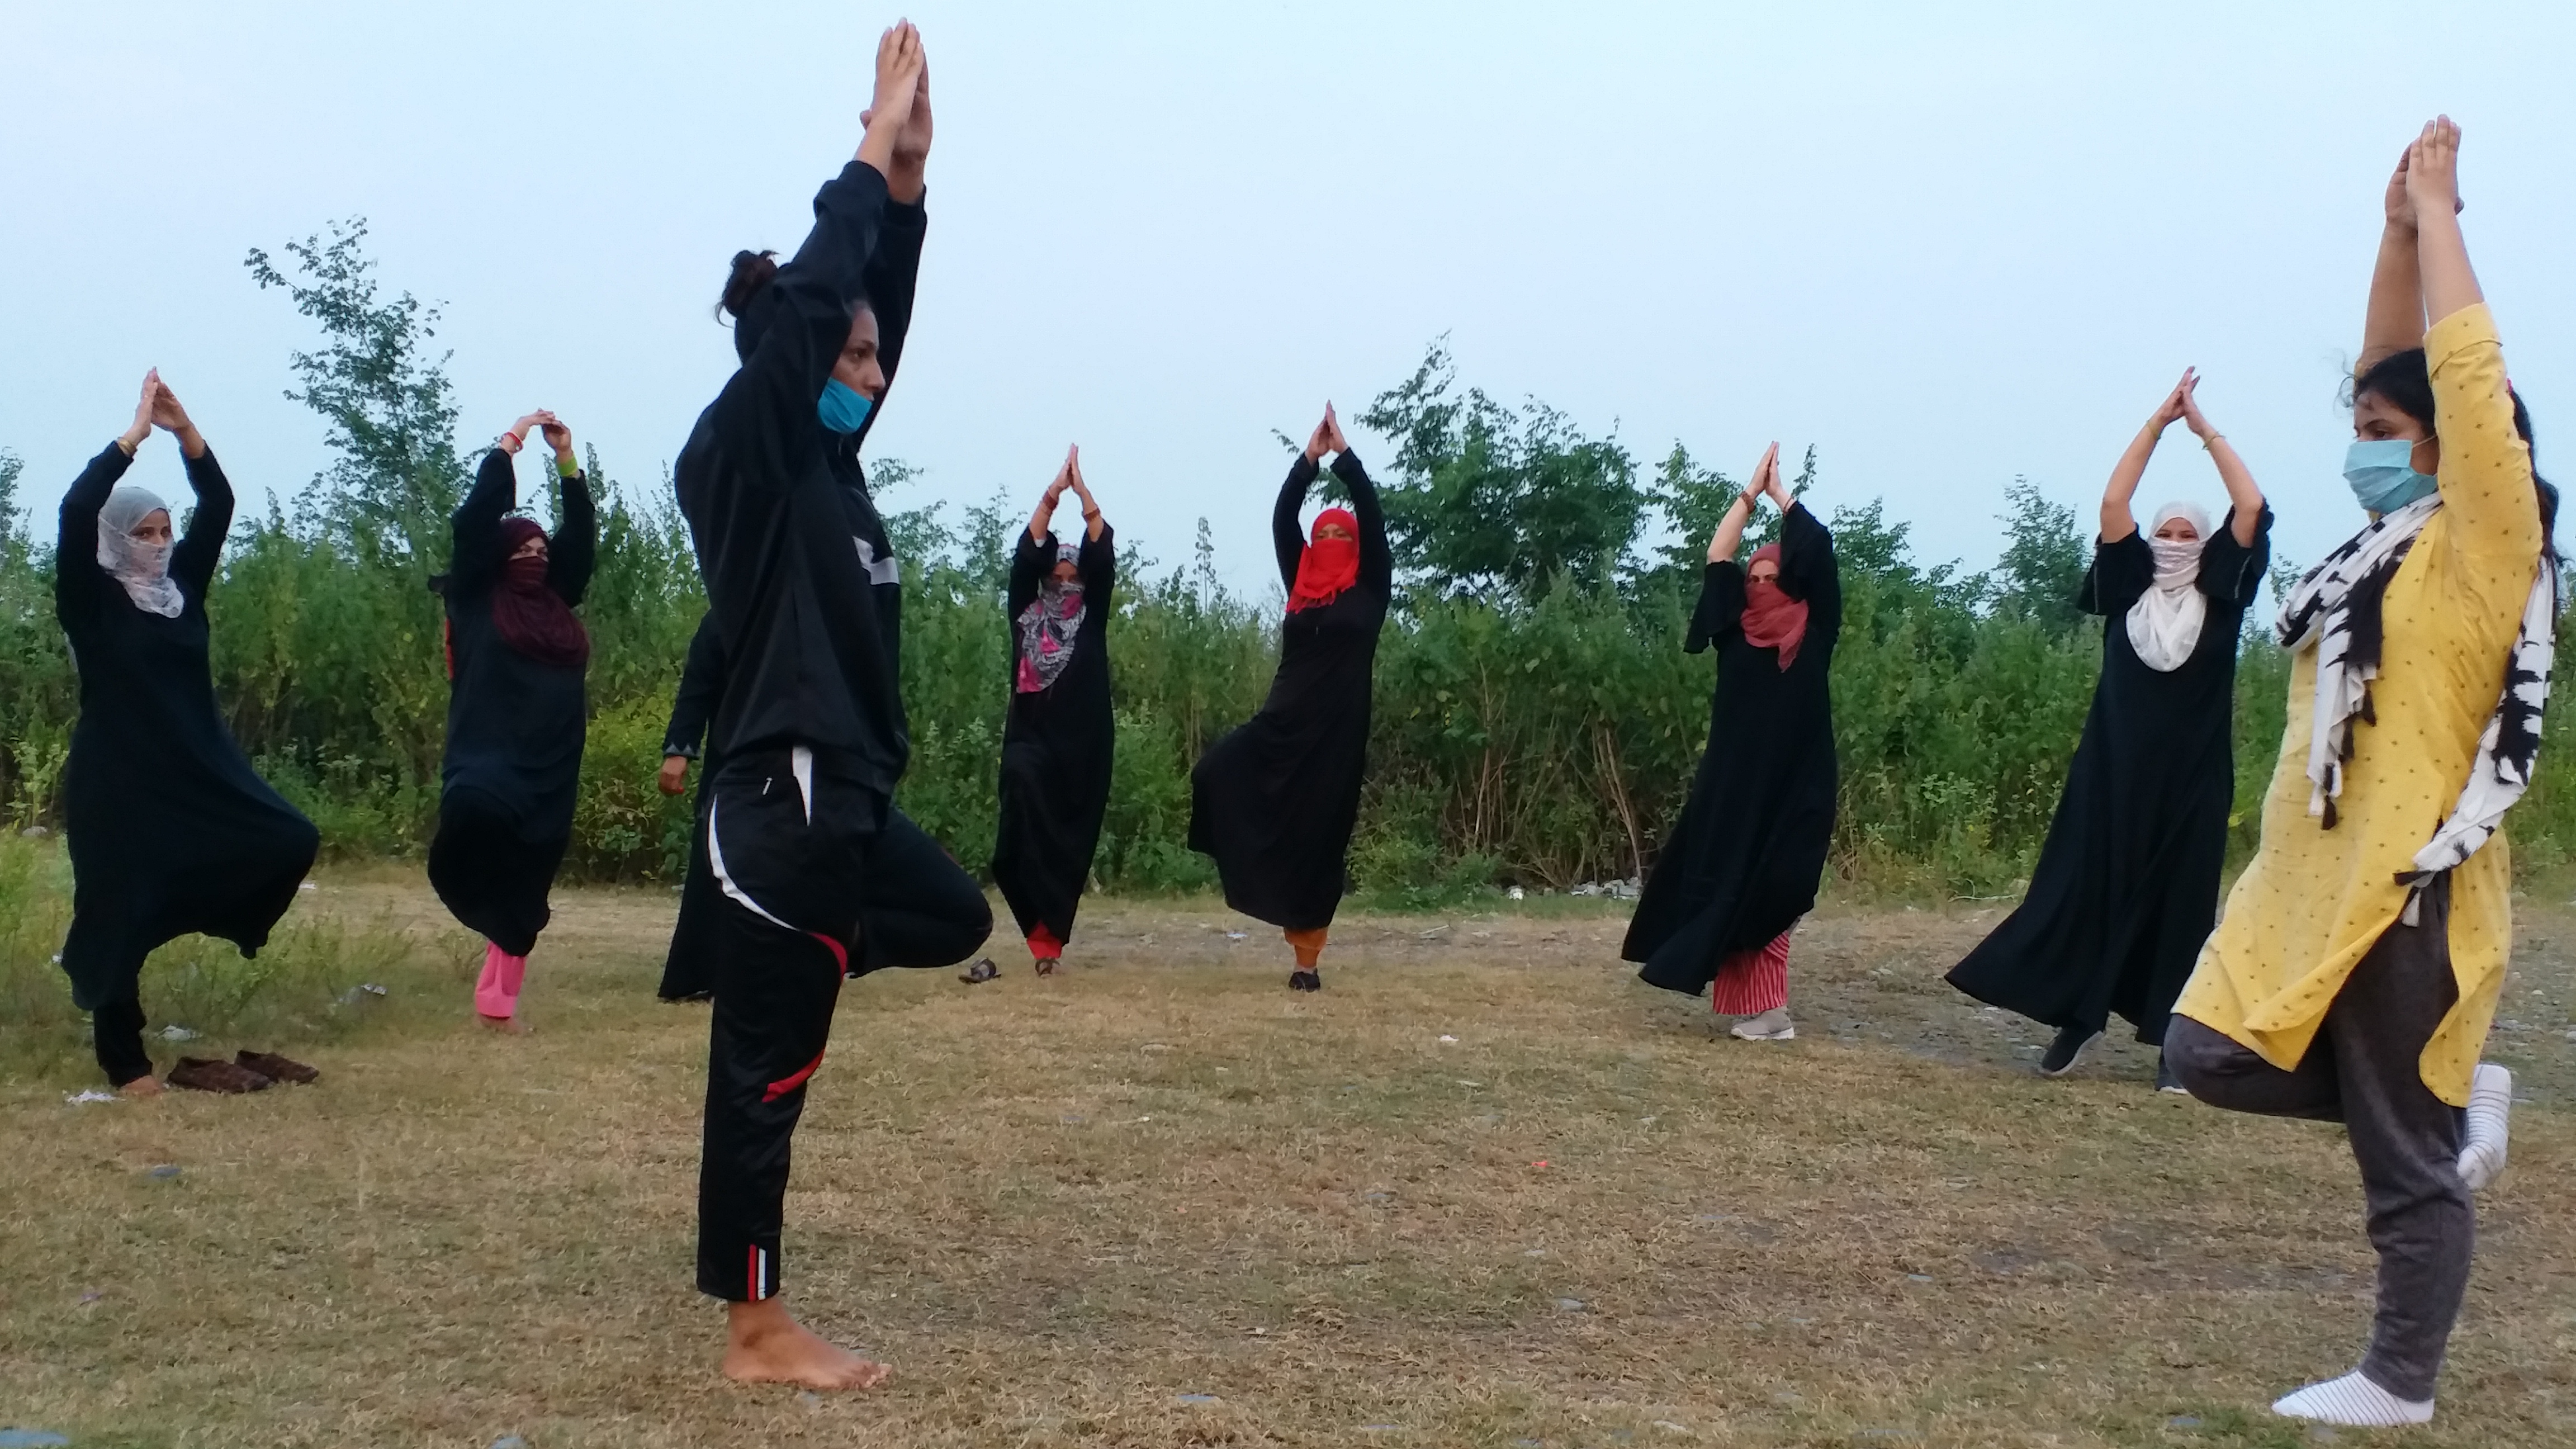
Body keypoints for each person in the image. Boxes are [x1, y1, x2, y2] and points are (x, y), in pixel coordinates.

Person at [2165, 119, 2552, 1429]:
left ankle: (2398, 1382)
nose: (2359, 444)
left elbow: (2457, 373)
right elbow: (2400, 371)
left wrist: (2443, 219)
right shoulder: (2386, 541)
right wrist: (2387, 236)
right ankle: (2447, 1107)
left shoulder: (2486, 542)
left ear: (2451, 446)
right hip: (2311, 880)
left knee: (2404, 1171)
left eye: (2384, 428)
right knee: (2203, 1053)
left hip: (2410, 894)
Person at [675, 23, 988, 1391]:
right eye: (848, 360)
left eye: (872, 363)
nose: (869, 375)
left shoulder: (834, 479)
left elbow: (869, 317)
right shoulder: (742, 455)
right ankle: (756, 1330)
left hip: (852, 806)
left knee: (955, 915)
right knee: (768, 1080)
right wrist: (866, 153)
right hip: (780, 799)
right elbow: (817, 309)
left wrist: (910, 193)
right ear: (792, 359)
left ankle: (789, 970)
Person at [1946, 370, 2270, 1087]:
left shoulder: (2223, 594)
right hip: (2113, 771)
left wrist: (2204, 430)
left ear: (2209, 543)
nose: (2177, 542)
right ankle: (2079, 1019)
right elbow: (2114, 501)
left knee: (2182, 908)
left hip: (2191, 780)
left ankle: (2171, 1051)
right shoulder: (2130, 585)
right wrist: (2155, 425)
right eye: (2167, 532)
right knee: (2089, 889)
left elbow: (2251, 504)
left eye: (2190, 533)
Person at [54, 371, 320, 1093]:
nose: (160, 543)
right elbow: (76, 508)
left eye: (166, 531)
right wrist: (134, 438)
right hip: (117, 779)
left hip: (195, 771)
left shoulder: (183, 592)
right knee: (114, 912)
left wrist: (186, 433)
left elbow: (220, 503)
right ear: (116, 539)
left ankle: (214, 918)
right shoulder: (93, 602)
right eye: (144, 533)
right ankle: (126, 1064)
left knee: (290, 837)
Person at [1623, 444, 1840, 1040]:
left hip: (1797, 784)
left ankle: (1771, 1012)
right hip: (1736, 787)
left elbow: (1820, 551)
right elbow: (1719, 556)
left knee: (1780, 892)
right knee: (1730, 891)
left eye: (1774, 577)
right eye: (1756, 579)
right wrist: (1748, 494)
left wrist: (1781, 496)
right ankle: (1763, 1012)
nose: (1764, 585)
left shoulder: (1814, 631)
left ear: (1792, 584)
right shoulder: (1736, 636)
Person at [1188, 403, 1390, 990]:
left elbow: (1372, 521)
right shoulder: (1300, 580)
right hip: (1282, 724)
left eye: (1337, 534)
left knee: (1320, 839)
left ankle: (1307, 962)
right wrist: (1308, 461)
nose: (1326, 539)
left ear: (1352, 546)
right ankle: (1237, 867)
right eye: (1321, 532)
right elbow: (1283, 521)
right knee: (1214, 772)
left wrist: (1346, 459)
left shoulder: (1370, 589)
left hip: (1339, 733)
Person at [428, 410, 595, 1033]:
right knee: (476, 813)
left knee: (533, 870)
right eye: (521, 548)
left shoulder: (556, 604)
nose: (533, 554)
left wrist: (568, 463)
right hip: (487, 754)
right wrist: (511, 446)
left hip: (552, 761)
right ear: (499, 559)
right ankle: (479, 914)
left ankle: (498, 1003)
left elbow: (580, 538)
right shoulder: (475, 598)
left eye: (540, 550)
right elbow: (472, 524)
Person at [978, 446, 1116, 981]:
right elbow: (1024, 557)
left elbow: (1102, 553)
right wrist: (1050, 495)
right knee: (1019, 801)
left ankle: (1046, 944)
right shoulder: (1025, 613)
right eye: (1055, 578)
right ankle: (1037, 929)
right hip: (1031, 743)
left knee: (1067, 846)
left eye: (1073, 579)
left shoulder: (1093, 619)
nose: (1065, 586)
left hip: (1082, 751)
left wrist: (1084, 498)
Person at [656, 612, 724, 1003]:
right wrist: (678, 752)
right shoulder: (724, 618)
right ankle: (696, 974)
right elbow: (698, 688)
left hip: (801, 757)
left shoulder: (811, 611)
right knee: (713, 855)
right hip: (733, 753)